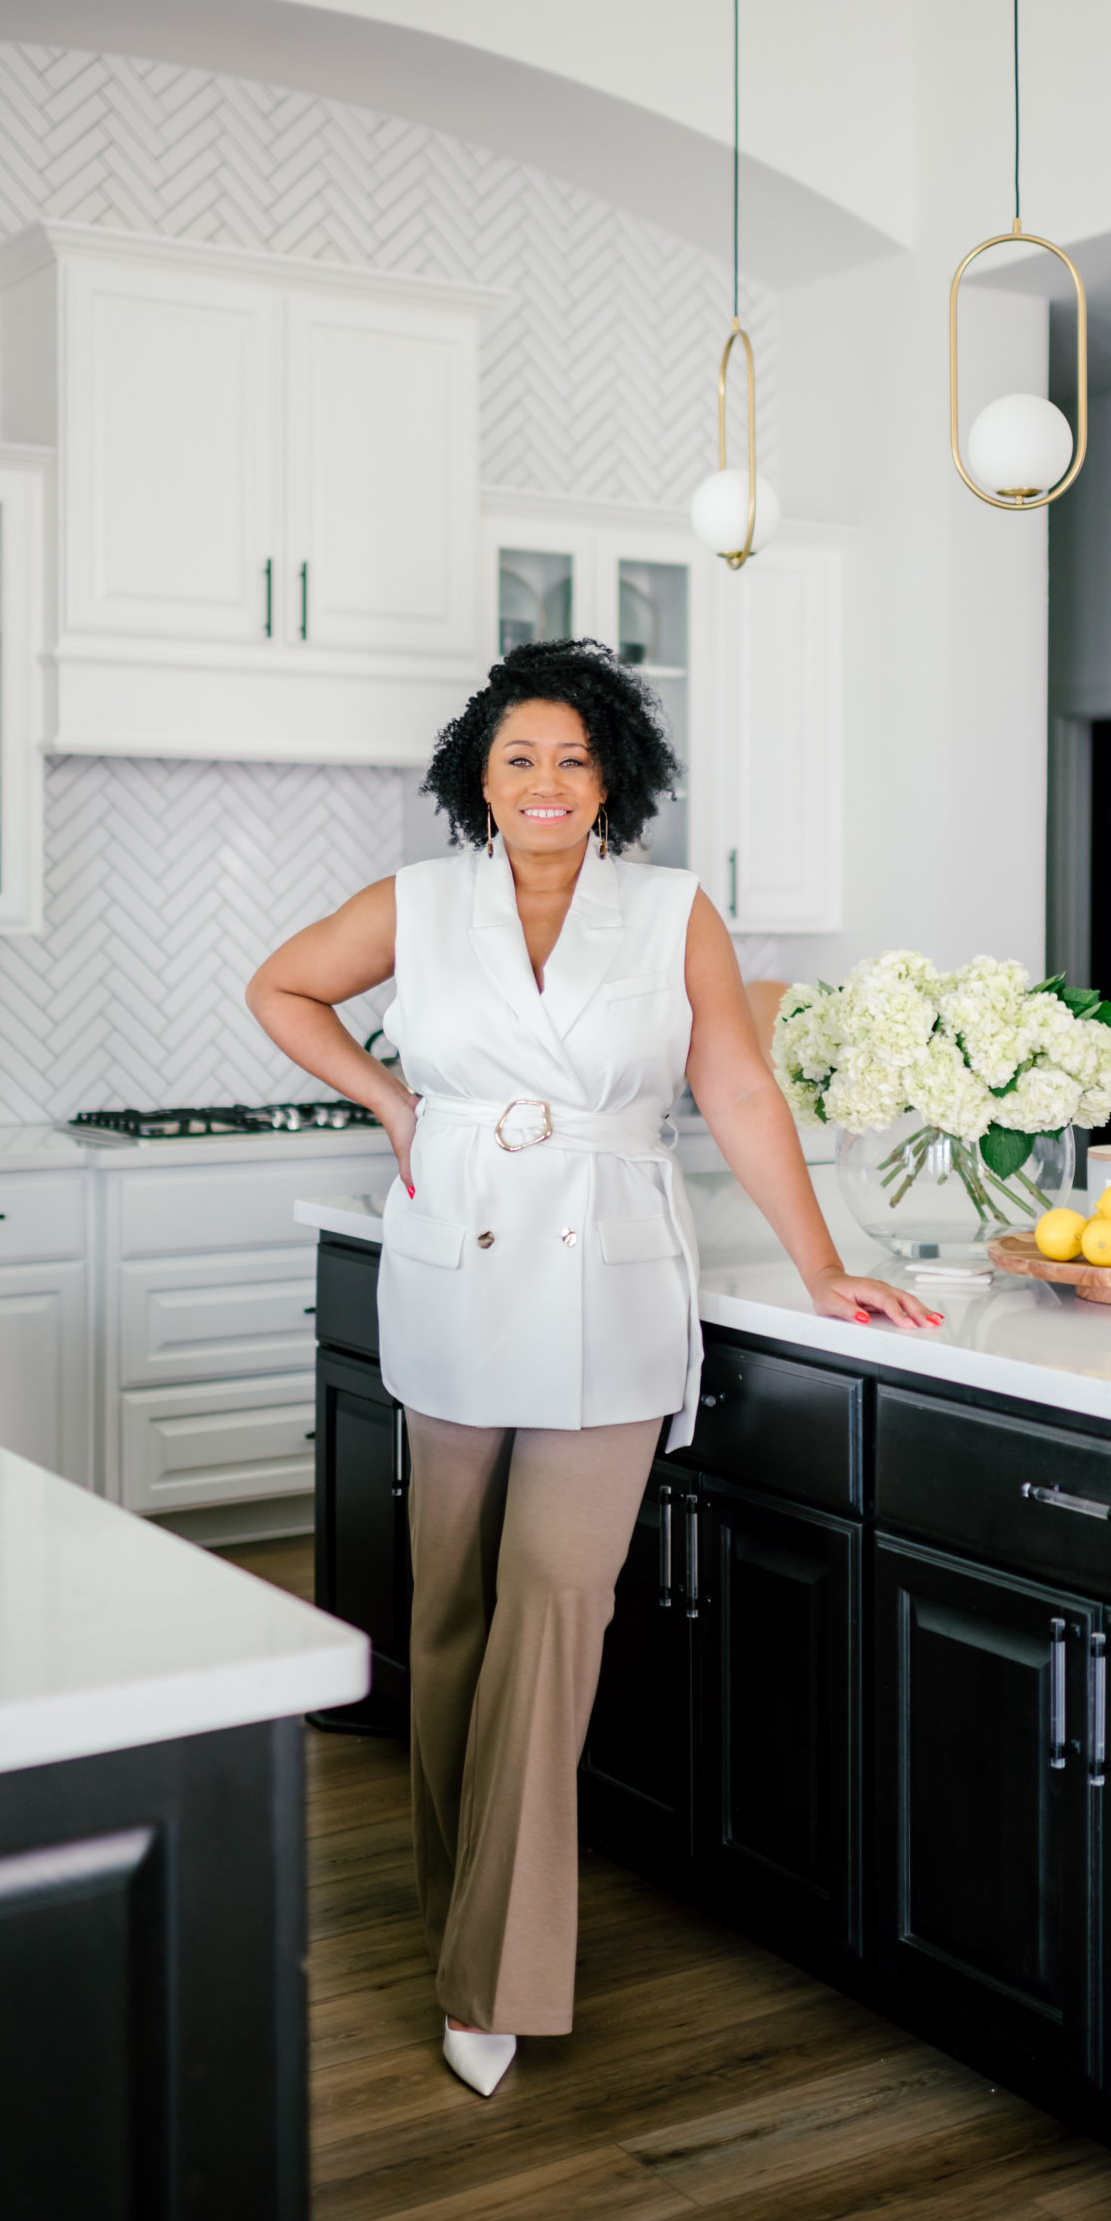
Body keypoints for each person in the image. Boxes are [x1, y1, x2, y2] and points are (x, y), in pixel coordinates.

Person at [247, 637, 937, 2098]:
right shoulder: (417, 907)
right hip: (450, 1269)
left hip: (609, 1281)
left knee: (555, 1611)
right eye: (519, 758)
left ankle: (492, 1973)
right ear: (478, 783)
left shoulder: (675, 912)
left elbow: (736, 1084)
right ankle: (458, 1905)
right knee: (447, 1610)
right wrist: (390, 1102)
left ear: (613, 776)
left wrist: (821, 1260)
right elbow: (282, 989)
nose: (547, 782)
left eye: (573, 757)